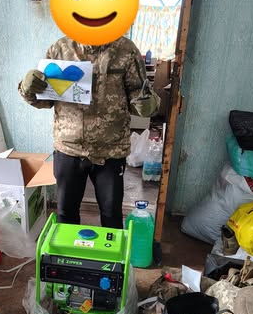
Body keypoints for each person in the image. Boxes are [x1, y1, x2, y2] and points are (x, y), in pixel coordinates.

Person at [18, 36, 159, 229]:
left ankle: (109, 250)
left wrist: (148, 104)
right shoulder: (60, 49)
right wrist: (28, 89)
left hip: (110, 152)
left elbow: (140, 97)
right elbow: (46, 100)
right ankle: (68, 250)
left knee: (111, 216)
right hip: (69, 149)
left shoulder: (126, 50)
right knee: (66, 215)